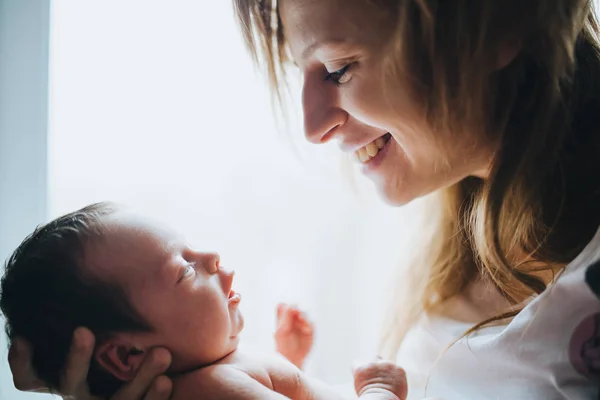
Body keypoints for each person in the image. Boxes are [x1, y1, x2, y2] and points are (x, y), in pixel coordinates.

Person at [8, 0, 600, 398]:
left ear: (496, 26)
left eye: (339, 69)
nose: (313, 125)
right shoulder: (450, 224)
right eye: (303, 73)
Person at [1, 202, 407, 399]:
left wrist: (290, 366)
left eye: (190, 248)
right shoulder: (215, 388)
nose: (211, 257)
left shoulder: (214, 375)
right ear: (127, 357)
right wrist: (378, 390)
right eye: (184, 270)